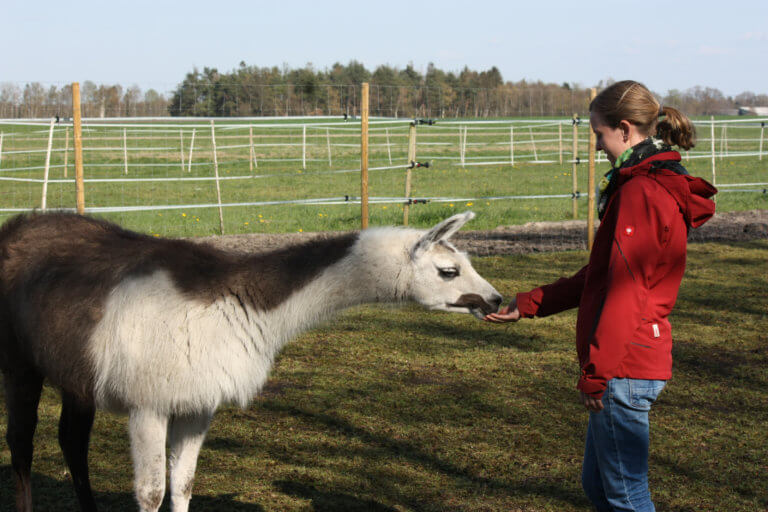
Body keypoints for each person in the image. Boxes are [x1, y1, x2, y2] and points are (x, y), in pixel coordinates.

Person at [485, 80, 717, 511]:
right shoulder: (646, 185)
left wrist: (598, 372)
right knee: (599, 487)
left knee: (626, 496)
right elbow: (601, 275)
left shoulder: (640, 192)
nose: (596, 146)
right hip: (628, 362)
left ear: (625, 130)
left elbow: (626, 293)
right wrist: (531, 303)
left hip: (624, 367)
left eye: (599, 134)